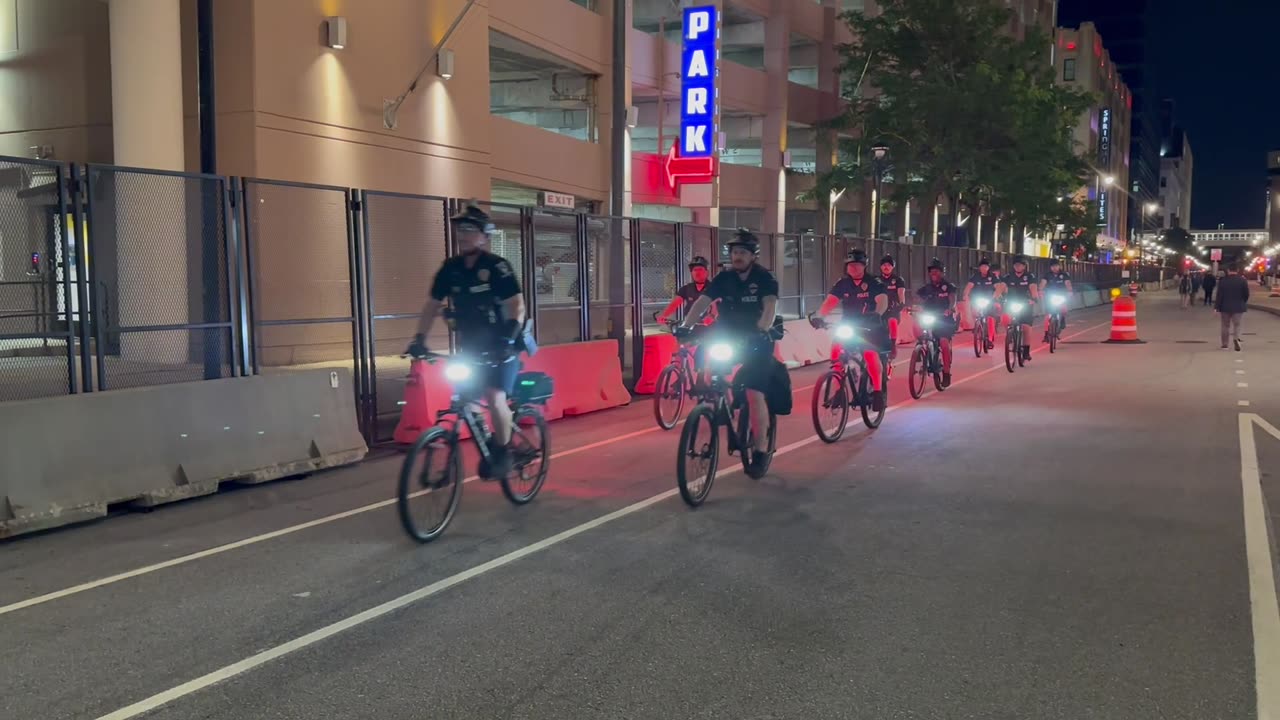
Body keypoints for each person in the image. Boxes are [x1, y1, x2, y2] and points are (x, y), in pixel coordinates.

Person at [410, 203, 527, 479]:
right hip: (471, 348)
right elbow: (431, 305)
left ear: (484, 236)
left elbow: (517, 306)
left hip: (503, 345)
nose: (463, 234)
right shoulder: (450, 269)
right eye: (460, 229)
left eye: (470, 229)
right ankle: (486, 441)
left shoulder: (497, 267)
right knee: (464, 400)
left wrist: (508, 339)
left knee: (494, 396)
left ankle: (502, 450)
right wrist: (418, 339)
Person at [678, 230, 779, 472]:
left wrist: (762, 329)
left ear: (752, 256)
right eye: (734, 252)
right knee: (707, 357)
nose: (737, 256)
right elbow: (703, 302)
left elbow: (769, 308)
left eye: (742, 252)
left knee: (754, 394)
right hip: (729, 334)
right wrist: (686, 325)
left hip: (757, 336)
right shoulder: (724, 278)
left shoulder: (765, 278)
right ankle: (715, 401)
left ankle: (761, 449)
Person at [814, 249, 891, 411]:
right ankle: (838, 391)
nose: (853, 268)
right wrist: (819, 316)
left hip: (871, 326)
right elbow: (829, 302)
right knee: (836, 353)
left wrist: (877, 314)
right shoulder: (842, 284)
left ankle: (877, 392)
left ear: (864, 266)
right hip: (848, 325)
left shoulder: (874, 283)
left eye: (857, 265)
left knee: (870, 355)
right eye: (850, 265)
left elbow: (882, 301)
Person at [915, 258, 959, 388]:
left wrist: (950, 309)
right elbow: (917, 298)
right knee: (917, 327)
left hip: (944, 320)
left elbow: (953, 300)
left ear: (942, 272)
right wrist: (914, 306)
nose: (934, 273)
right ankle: (919, 351)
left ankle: (946, 372)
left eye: (937, 271)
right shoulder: (926, 288)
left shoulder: (948, 287)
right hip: (930, 317)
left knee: (944, 344)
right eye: (932, 271)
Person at [999, 255, 1040, 362]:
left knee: (1026, 327)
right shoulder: (1008, 276)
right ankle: (1011, 335)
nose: (1018, 267)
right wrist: (995, 297)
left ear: (1024, 266)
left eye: (1020, 265)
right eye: (1016, 265)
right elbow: (1001, 287)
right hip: (1011, 302)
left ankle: (1026, 351)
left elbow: (1033, 288)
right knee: (1004, 318)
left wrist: (1034, 298)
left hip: (1026, 303)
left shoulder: (1030, 276)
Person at [656, 256, 716, 325]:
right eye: (695, 270)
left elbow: (718, 306)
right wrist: (664, 315)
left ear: (706, 272)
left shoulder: (714, 288)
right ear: (691, 273)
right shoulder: (686, 289)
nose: (697, 273)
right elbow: (674, 304)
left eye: (700, 269)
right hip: (689, 324)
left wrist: (711, 316)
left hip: (709, 326)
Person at [876, 254, 909, 359]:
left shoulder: (898, 279)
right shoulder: (875, 280)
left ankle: (893, 345)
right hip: (879, 310)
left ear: (892, 267)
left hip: (893, 309)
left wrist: (902, 304)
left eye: (889, 265)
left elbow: (901, 293)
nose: (886, 267)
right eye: (884, 265)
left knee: (892, 321)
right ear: (881, 267)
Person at [962, 257, 1002, 341]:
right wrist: (965, 295)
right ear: (979, 268)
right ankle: (978, 327)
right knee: (975, 312)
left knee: (990, 317)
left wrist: (996, 295)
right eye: (982, 266)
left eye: (986, 266)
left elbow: (998, 287)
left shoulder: (993, 276)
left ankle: (990, 338)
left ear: (988, 268)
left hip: (990, 300)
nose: (984, 268)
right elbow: (969, 286)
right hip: (978, 299)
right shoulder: (975, 277)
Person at [1214, 263, 1250, 351]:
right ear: (1237, 270)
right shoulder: (1242, 280)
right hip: (1238, 306)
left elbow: (1219, 295)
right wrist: (1243, 301)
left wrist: (1216, 307)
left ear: (1228, 270)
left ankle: (1225, 345)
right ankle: (1236, 339)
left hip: (1225, 306)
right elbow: (1246, 294)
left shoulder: (1223, 281)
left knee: (1225, 326)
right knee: (1237, 325)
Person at [1039, 258, 1073, 340]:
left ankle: (1062, 320)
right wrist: (1040, 291)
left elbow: (1068, 284)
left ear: (1059, 266)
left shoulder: (1064, 274)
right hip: (1050, 296)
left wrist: (1070, 291)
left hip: (1061, 295)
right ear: (1050, 267)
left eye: (1056, 266)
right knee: (1048, 315)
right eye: (1053, 266)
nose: (1054, 268)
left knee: (1064, 310)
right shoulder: (1047, 275)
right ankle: (1046, 333)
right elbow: (1042, 284)